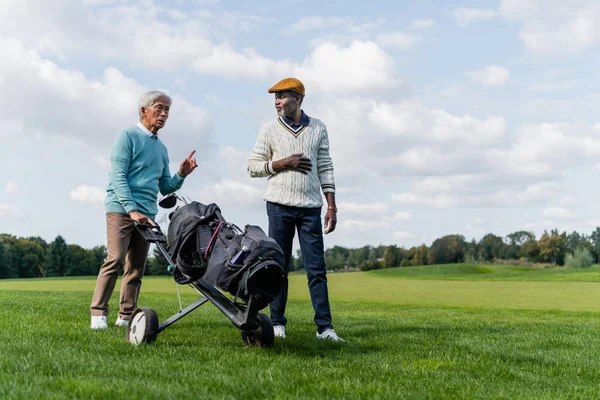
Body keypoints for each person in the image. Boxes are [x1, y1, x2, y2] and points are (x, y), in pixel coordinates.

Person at [90, 91, 197, 329]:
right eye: (159, 108)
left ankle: (125, 317)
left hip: (146, 214)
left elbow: (165, 186)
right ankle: (98, 315)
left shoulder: (162, 149)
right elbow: (118, 177)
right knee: (114, 258)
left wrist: (182, 174)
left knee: (136, 267)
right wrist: (130, 210)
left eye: (167, 110)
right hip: (120, 208)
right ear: (144, 110)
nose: (164, 114)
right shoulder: (127, 137)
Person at [247, 77, 343, 342]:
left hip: (311, 208)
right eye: (275, 97)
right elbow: (253, 165)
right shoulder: (269, 129)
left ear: (298, 98)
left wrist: (331, 205)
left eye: (282, 96)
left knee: (317, 270)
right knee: (278, 267)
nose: (277, 102)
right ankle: (277, 322)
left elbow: (326, 166)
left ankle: (325, 328)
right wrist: (281, 163)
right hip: (278, 207)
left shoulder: (318, 128)